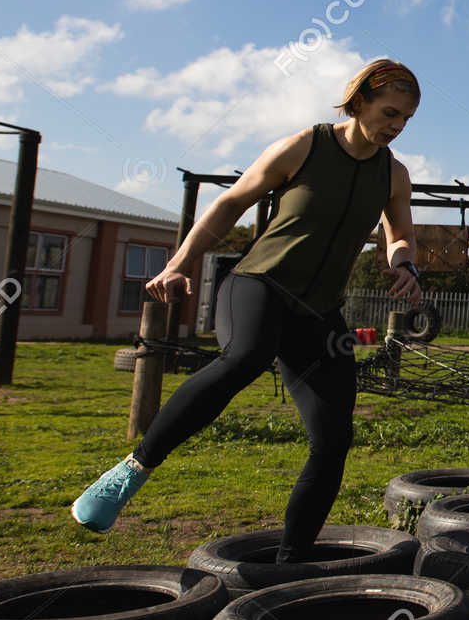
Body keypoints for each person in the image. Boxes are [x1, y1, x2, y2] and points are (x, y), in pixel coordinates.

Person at [71, 59, 424, 562]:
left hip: (318, 312)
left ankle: (291, 561)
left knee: (333, 437)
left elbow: (401, 234)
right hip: (258, 284)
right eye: (389, 112)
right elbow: (230, 203)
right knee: (246, 357)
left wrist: (405, 266)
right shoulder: (304, 146)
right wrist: (179, 263)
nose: (396, 125)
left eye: (406, 119)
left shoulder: (394, 174)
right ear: (358, 100)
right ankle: (132, 469)